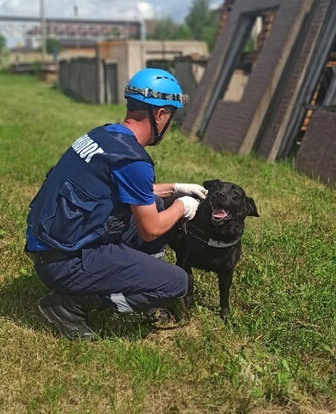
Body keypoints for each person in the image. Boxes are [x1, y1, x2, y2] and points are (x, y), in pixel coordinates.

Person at [24, 68, 206, 340]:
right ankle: (70, 305)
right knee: (175, 283)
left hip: (50, 246)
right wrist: (182, 207)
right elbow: (151, 230)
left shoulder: (104, 135)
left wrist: (175, 189)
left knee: (157, 202)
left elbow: (131, 191)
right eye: (172, 115)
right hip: (65, 263)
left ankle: (136, 276)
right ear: (161, 114)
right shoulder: (134, 160)